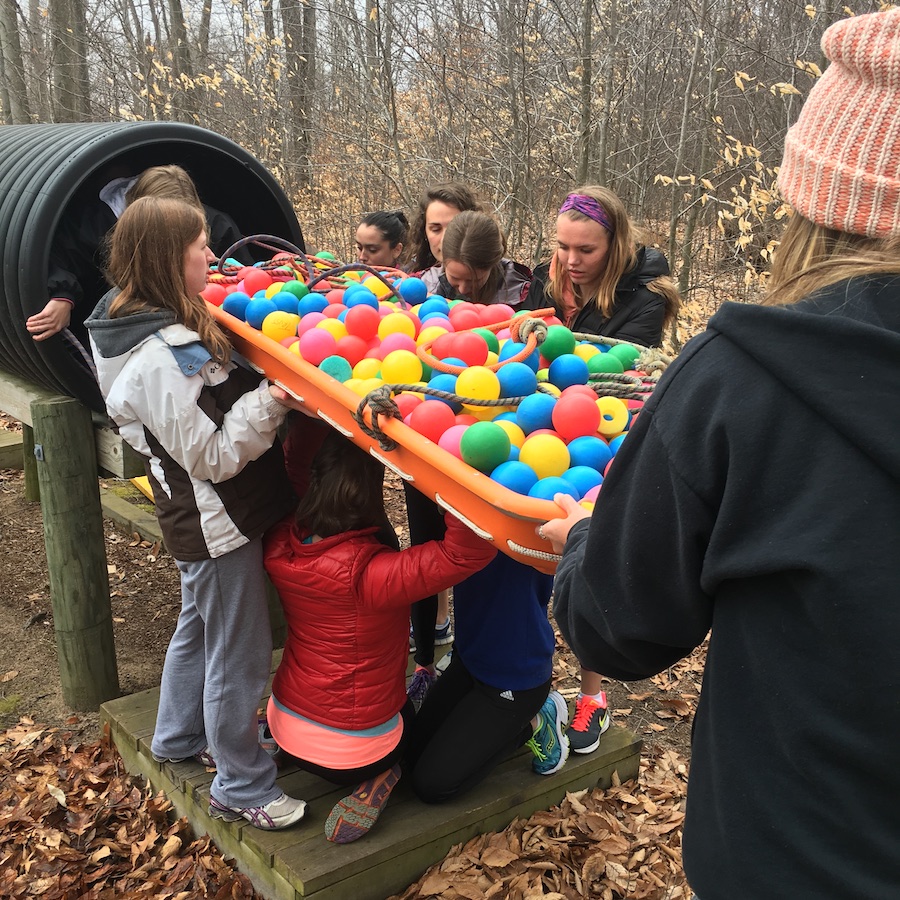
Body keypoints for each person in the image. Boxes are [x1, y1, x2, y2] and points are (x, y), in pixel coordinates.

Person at [543, 10, 900, 897]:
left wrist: (583, 542)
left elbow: (621, 625)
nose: (569, 262)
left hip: (790, 859)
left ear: (816, 201)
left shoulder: (744, 375)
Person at [84, 196, 308, 831]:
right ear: (163, 259)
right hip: (216, 520)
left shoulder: (140, 322)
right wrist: (271, 402)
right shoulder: (155, 357)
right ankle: (241, 783)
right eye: (199, 248)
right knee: (237, 652)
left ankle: (177, 736)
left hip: (203, 517)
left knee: (201, 625)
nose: (212, 257)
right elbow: (210, 454)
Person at [262, 425, 496, 843]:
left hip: (285, 723)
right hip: (357, 755)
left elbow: (294, 466)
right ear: (371, 497)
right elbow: (468, 550)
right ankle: (384, 774)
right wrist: (452, 470)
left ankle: (285, 749)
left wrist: (320, 416)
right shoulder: (373, 576)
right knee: (412, 717)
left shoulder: (281, 543)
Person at [525, 186, 681, 755]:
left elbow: (613, 372)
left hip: (608, 432)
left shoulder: (646, 297)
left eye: (585, 250)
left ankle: (593, 693)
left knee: (589, 546)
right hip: (544, 422)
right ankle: (528, 670)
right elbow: (526, 334)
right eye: (562, 246)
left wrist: (552, 349)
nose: (570, 260)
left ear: (614, 246)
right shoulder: (554, 276)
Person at [28, 164, 248, 344]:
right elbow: (54, 252)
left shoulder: (216, 224)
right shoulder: (95, 225)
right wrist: (62, 295)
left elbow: (242, 275)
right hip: (128, 320)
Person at [436, 210, 532, 308]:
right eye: (454, 277)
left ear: (493, 264)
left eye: (474, 281)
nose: (462, 289)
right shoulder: (428, 284)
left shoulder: (522, 298)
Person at [405, 182, 482, 293]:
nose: (445, 239)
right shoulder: (412, 280)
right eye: (436, 229)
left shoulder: (510, 283)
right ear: (424, 232)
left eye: (455, 227)